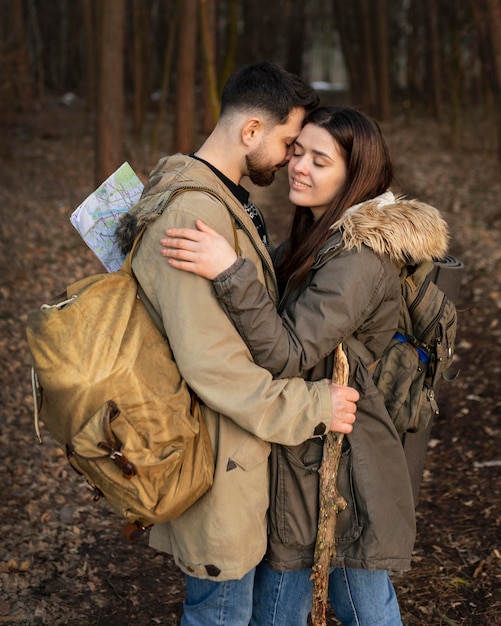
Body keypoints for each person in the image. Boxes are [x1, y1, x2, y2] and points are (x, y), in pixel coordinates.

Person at [160, 106, 451, 625]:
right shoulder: (320, 235)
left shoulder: (359, 258)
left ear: (353, 176)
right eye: (298, 151)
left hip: (342, 462)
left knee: (360, 602)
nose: (299, 166)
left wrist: (230, 269)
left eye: (321, 161)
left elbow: (289, 352)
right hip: (309, 444)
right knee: (313, 592)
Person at [115, 65, 359, 626]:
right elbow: (212, 363)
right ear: (250, 131)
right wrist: (311, 406)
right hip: (217, 457)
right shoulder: (191, 214)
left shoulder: (221, 198)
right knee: (220, 613)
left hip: (236, 453)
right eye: (285, 143)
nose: (289, 160)